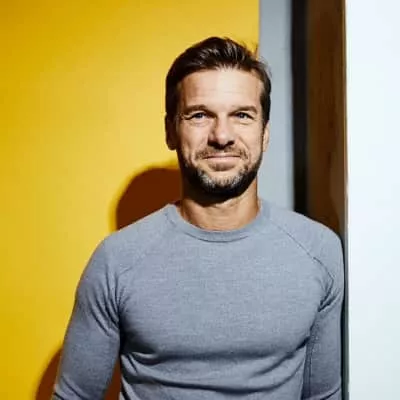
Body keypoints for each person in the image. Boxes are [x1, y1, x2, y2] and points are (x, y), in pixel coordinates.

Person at [53, 37, 344, 400]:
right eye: (199, 115)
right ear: (171, 131)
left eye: (242, 115)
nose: (221, 136)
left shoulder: (318, 251)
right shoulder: (116, 261)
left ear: (265, 132)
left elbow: (324, 396)